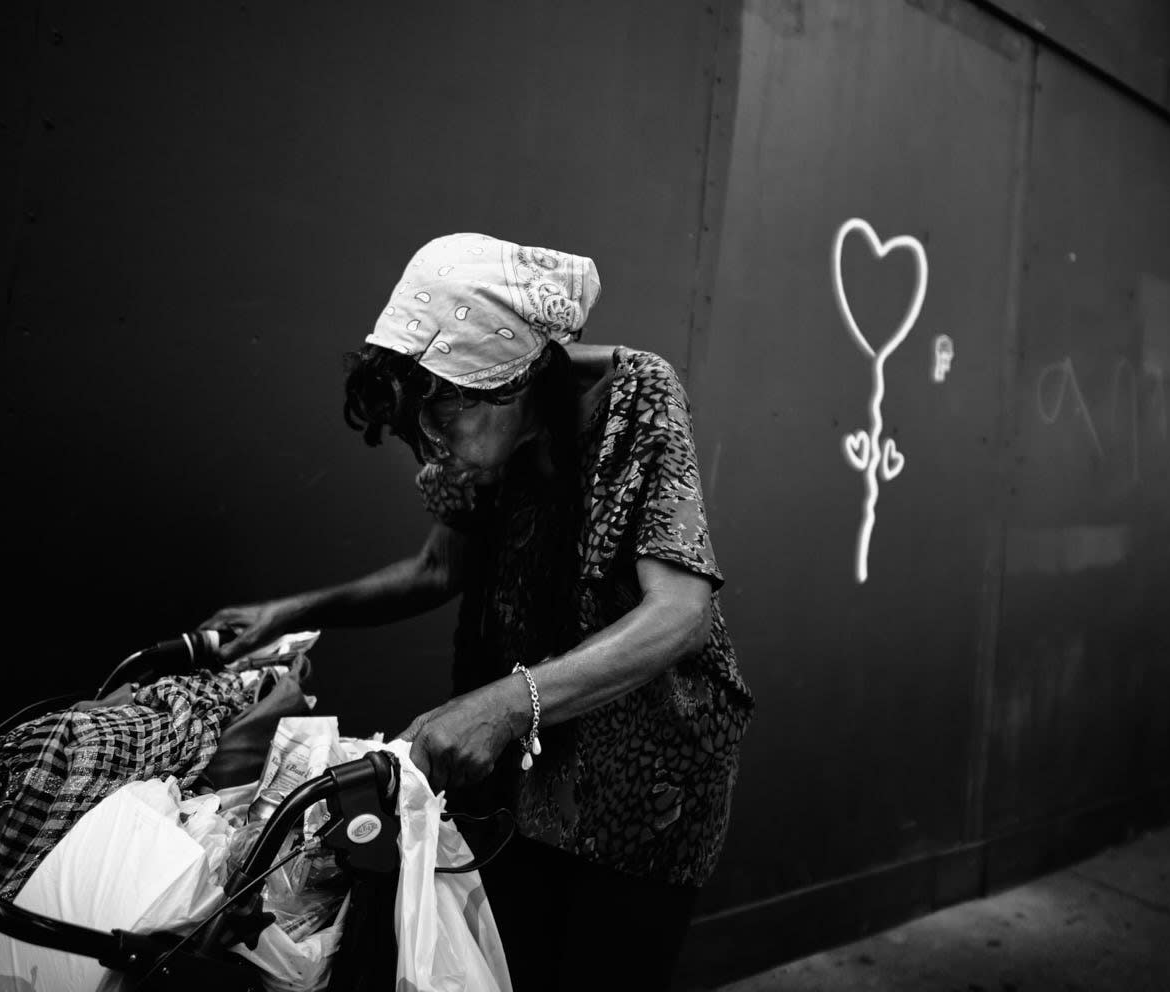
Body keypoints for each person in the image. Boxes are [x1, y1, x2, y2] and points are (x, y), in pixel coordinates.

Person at [202, 232, 755, 990]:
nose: (431, 452)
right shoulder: (479, 441)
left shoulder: (636, 395)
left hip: (644, 783)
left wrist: (501, 706)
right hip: (518, 777)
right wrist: (287, 612)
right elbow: (438, 567)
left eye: (445, 420)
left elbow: (681, 609)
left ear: (518, 381)